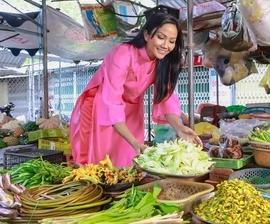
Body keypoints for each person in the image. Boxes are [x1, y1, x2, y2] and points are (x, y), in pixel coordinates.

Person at [70, 12, 202, 166]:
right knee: (98, 164)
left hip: (131, 110)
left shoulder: (163, 62)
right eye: (161, 37)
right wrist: (133, 141)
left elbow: (167, 100)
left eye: (171, 41)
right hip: (101, 108)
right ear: (147, 35)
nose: (166, 45)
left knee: (129, 160)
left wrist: (179, 128)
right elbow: (111, 100)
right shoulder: (123, 54)